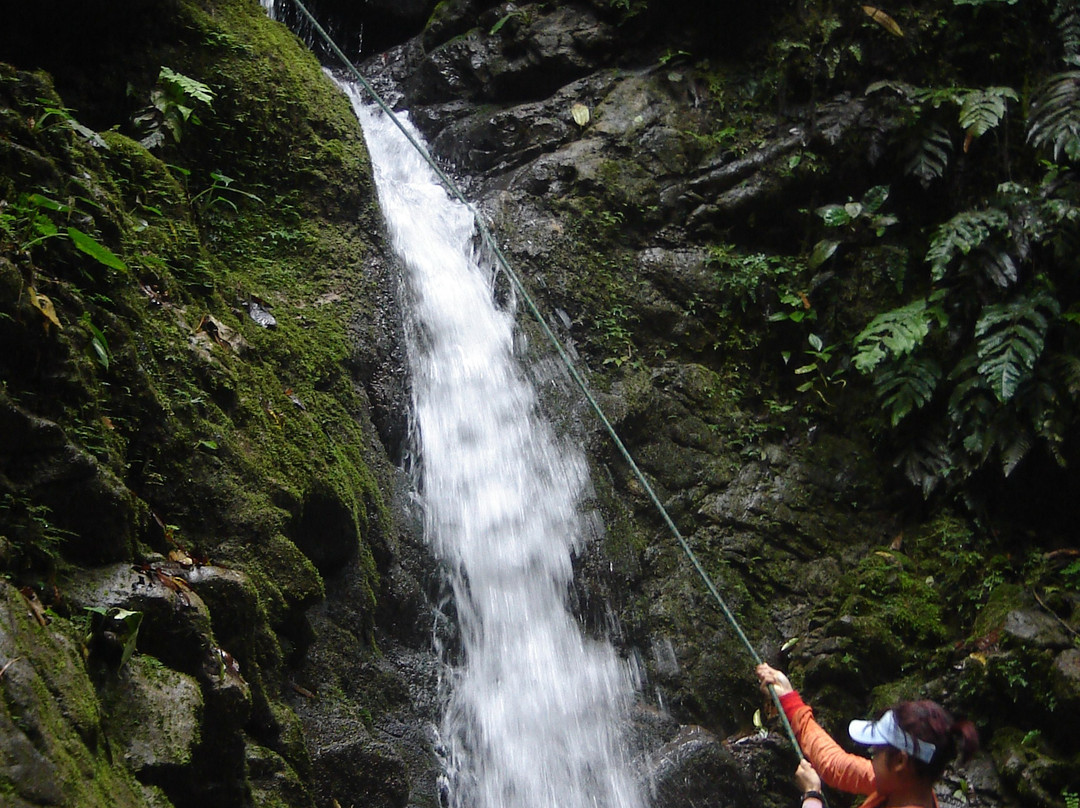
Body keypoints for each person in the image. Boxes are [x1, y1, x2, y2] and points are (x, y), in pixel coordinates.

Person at [756, 663, 979, 808]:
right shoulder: (903, 786)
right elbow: (835, 764)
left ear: (900, 760)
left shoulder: (897, 787)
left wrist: (812, 796)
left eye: (877, 751)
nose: (872, 758)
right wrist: (790, 701)